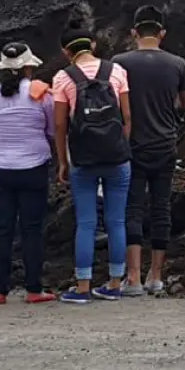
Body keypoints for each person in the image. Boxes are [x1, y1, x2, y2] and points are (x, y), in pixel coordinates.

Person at [113, 6, 185, 295]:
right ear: (162, 33)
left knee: (131, 208)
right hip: (165, 145)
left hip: (131, 146)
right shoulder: (177, 64)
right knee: (161, 208)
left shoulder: (119, 63)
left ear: (134, 32)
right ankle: (155, 276)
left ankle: (132, 278)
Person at [0, 42, 59, 305]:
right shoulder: (42, 94)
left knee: (2, 230)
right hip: (33, 168)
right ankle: (34, 288)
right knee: (32, 230)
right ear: (28, 67)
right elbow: (53, 131)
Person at [51, 26, 132, 304]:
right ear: (93, 45)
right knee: (117, 221)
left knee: (86, 223)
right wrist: (120, 146)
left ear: (66, 51)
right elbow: (127, 116)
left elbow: (60, 125)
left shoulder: (63, 78)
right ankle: (114, 283)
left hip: (83, 161)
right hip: (117, 158)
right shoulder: (117, 71)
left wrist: (63, 161)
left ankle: (83, 287)